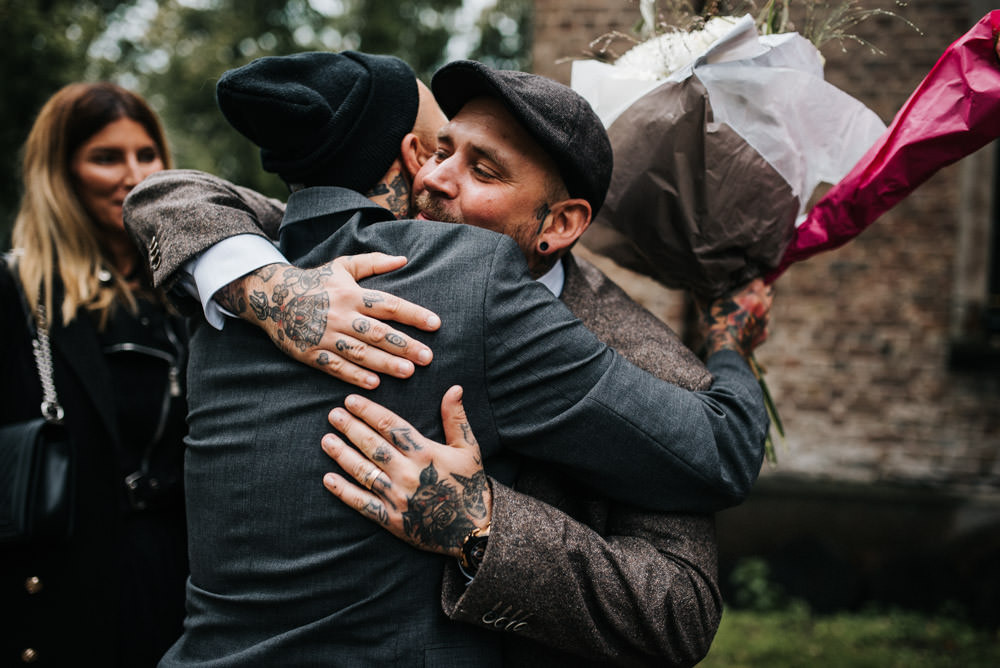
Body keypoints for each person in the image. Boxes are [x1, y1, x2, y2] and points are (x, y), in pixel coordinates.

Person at [123, 53, 772, 666]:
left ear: (560, 223)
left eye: (483, 171)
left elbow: (680, 611)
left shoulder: (653, 363)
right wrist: (277, 291)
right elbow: (172, 199)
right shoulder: (314, 264)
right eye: (438, 150)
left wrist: (484, 528)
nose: (432, 178)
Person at [1, 82, 188, 667]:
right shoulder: (17, 292)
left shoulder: (186, 294)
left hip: (176, 589)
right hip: (60, 588)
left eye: (146, 155)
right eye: (106, 157)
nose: (133, 174)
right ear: (62, 174)